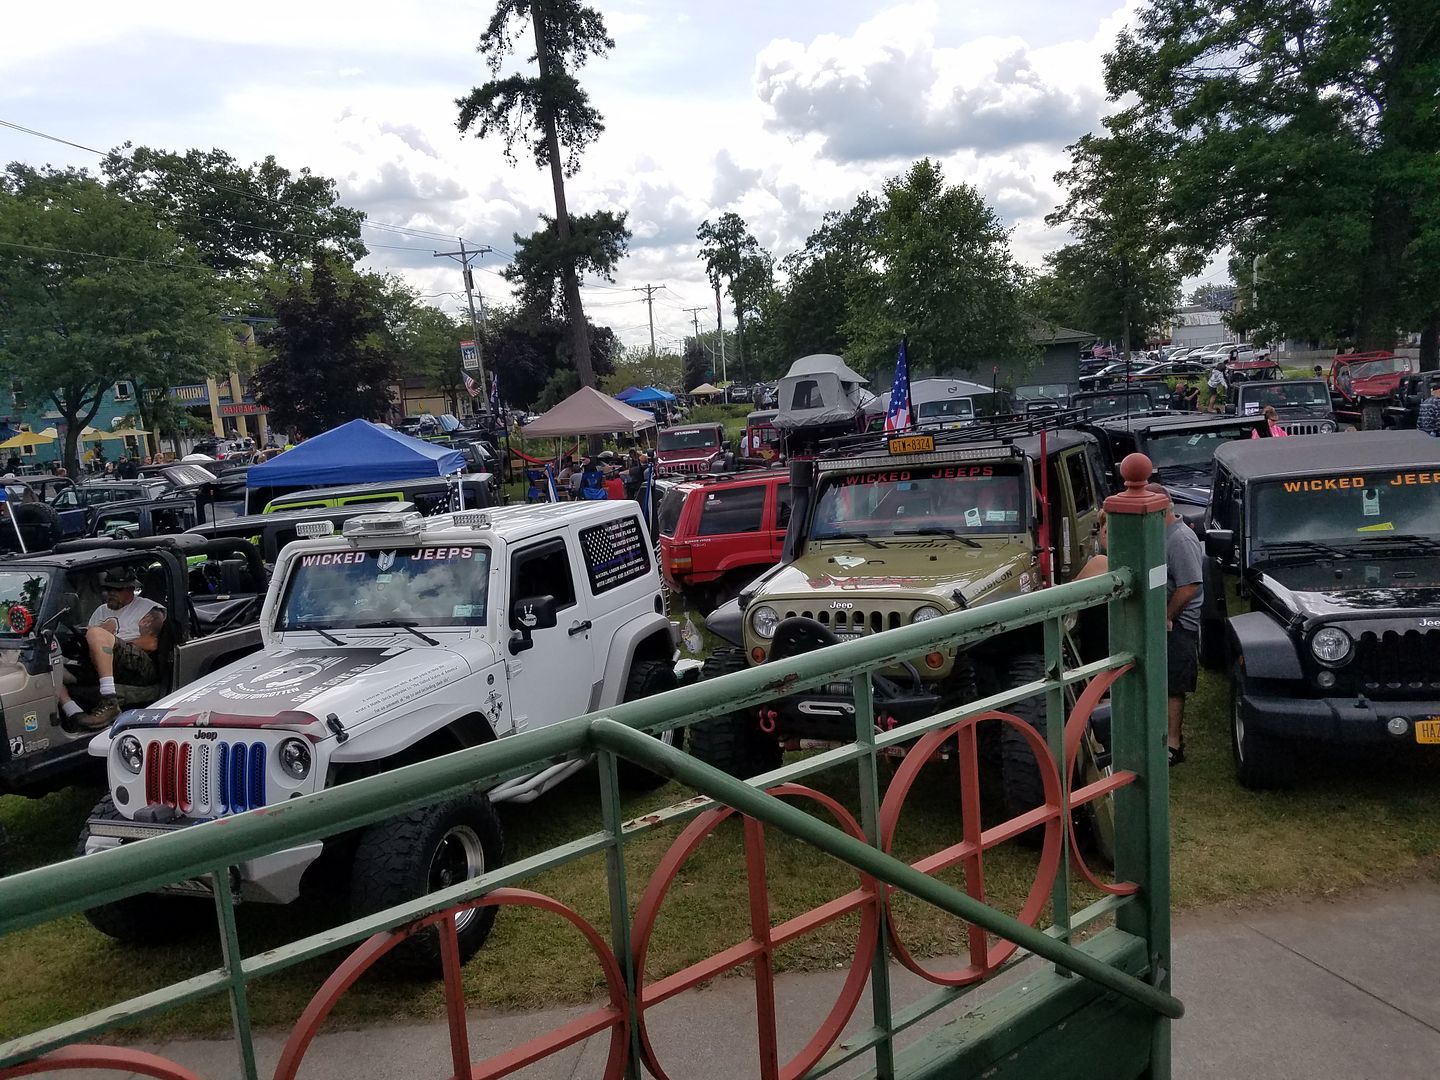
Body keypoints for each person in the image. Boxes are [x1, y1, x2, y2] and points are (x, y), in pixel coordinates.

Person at [58, 567, 166, 731]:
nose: (111, 593)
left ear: (130, 588)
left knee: (96, 633)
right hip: (100, 663)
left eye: (117, 589)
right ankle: (73, 712)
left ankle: (110, 699)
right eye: (108, 588)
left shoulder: (148, 609)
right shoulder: (100, 610)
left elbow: (151, 644)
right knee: (50, 668)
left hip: (139, 666)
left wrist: (109, 640)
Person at [1147, 484, 1203, 766]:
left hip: (1179, 626)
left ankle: (1173, 745)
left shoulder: (1180, 539)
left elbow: (1190, 585)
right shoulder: (1163, 536)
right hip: (1167, 624)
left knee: (1173, 686)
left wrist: (1167, 616)